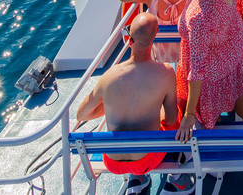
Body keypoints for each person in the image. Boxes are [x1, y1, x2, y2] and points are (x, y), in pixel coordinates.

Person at [74, 12, 178, 189]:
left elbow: (81, 114)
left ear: (130, 40)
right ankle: (178, 178)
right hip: (147, 159)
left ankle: (138, 178)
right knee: (178, 114)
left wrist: (108, 107)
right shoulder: (166, 72)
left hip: (113, 162)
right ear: (155, 37)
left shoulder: (109, 76)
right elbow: (170, 120)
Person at [175, 0, 243, 139]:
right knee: (240, 91)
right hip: (234, 52)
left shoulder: (198, 18)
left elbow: (197, 70)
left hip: (212, 71)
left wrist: (189, 115)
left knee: (214, 114)